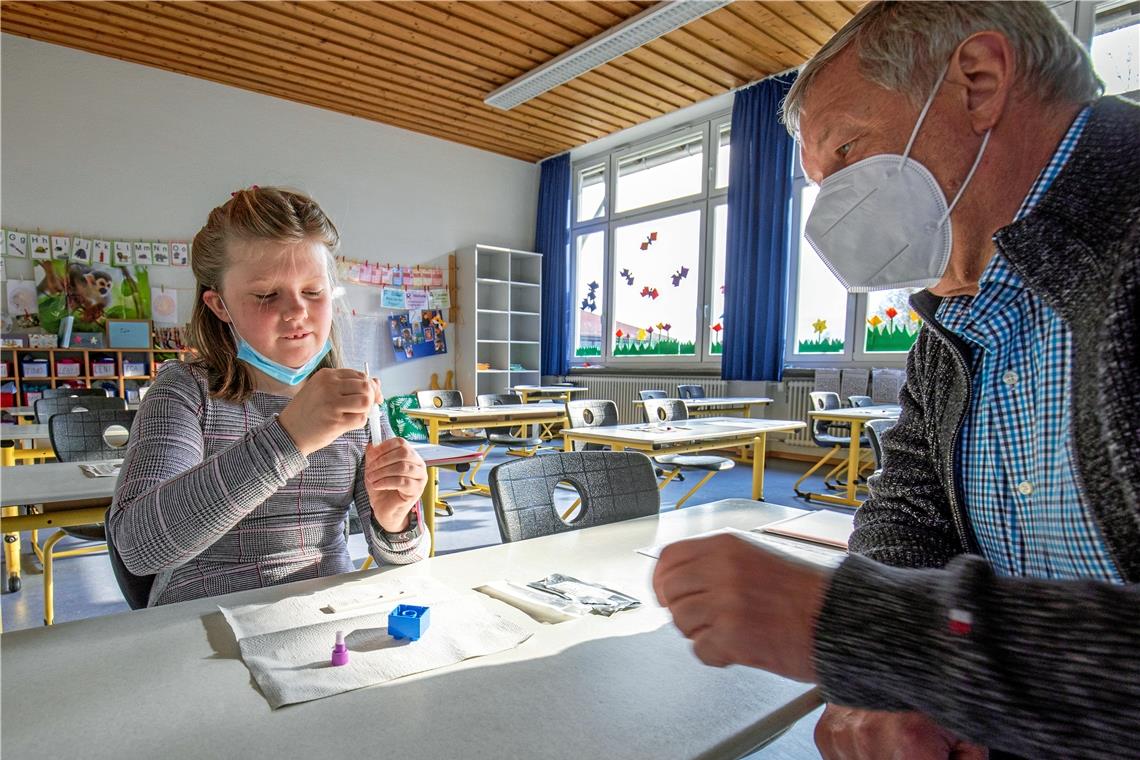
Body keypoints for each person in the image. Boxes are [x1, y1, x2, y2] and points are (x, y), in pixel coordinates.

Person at [653, 3, 1139, 758]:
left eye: (848, 150)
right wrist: (886, 685)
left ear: (979, 83)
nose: (831, 210)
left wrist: (861, 630)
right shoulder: (952, 318)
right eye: (819, 182)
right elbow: (906, 505)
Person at [109, 187, 428, 606]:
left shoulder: (357, 401)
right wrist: (292, 435)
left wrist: (396, 519)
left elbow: (401, 560)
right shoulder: (184, 390)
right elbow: (140, 548)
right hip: (198, 620)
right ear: (219, 305)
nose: (297, 311)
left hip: (323, 615)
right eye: (265, 295)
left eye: (313, 291)